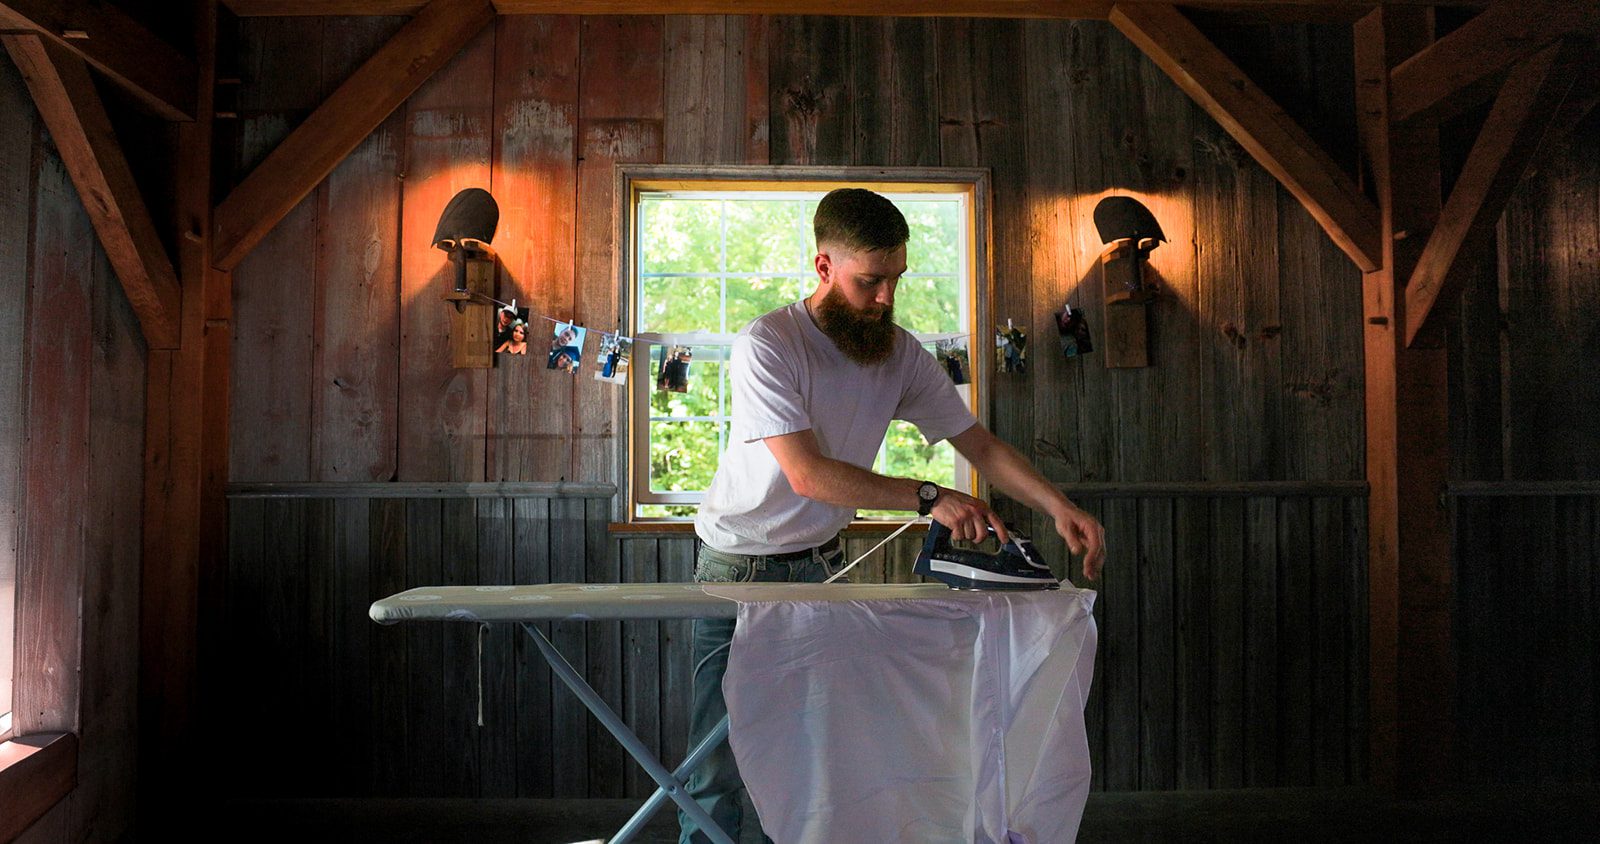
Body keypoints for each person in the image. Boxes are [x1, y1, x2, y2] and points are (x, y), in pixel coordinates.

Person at [680, 188, 1106, 844]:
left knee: (806, 749)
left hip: (821, 565)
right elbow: (808, 474)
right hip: (738, 563)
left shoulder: (900, 353)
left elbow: (979, 444)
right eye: (869, 281)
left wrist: (1061, 507)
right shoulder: (769, 343)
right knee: (719, 756)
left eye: (895, 280)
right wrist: (932, 497)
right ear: (823, 268)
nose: (884, 298)